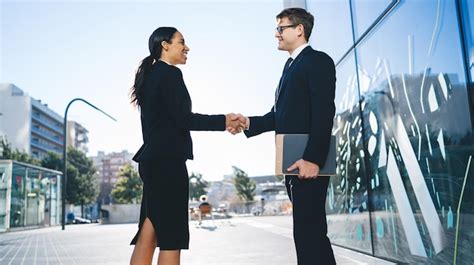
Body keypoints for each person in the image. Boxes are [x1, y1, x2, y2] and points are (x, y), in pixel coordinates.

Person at [229, 8, 336, 265]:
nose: (276, 34)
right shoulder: (290, 67)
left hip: (307, 164)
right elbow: (279, 116)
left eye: (281, 28)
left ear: (299, 30)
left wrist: (313, 159)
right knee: (310, 236)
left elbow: (324, 111)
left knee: (309, 234)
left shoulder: (317, 60)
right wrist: (248, 123)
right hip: (294, 164)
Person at [129, 27, 243, 265]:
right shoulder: (170, 74)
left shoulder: (150, 76)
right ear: (165, 45)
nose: (187, 47)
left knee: (148, 232)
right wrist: (224, 120)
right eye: (181, 42)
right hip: (168, 163)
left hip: (152, 163)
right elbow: (184, 119)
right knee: (172, 237)